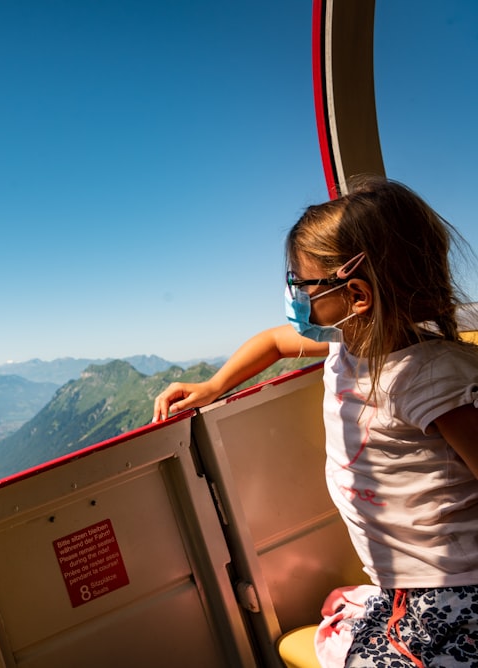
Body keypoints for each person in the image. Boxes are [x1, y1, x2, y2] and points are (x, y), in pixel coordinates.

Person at [153, 176, 478, 668]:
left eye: (301, 285)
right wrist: (214, 386)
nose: (295, 298)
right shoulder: (351, 342)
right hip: (406, 582)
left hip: (451, 590)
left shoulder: (430, 378)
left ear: (357, 296)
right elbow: (274, 341)